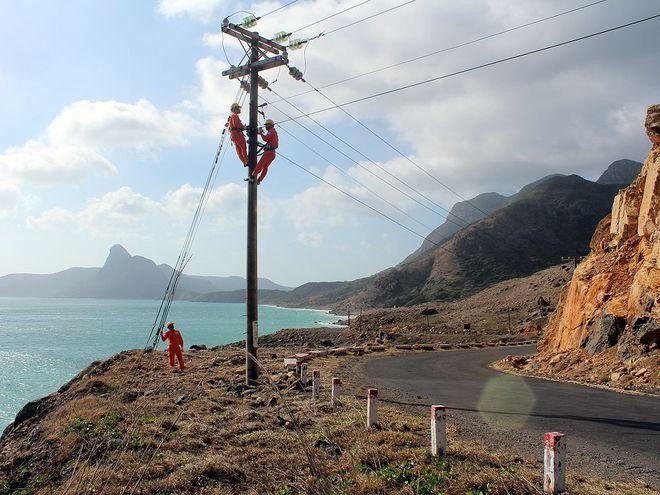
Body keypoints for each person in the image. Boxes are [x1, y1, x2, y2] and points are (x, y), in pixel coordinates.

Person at [251, 119, 278, 184]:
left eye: (267, 125)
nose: (266, 127)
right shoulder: (274, 132)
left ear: (271, 125)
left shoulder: (271, 131)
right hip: (273, 153)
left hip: (268, 152)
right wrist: (261, 133)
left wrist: (260, 133)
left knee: (260, 164)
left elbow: (265, 139)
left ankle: (252, 177)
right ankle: (259, 180)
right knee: (265, 167)